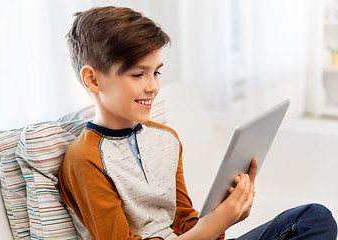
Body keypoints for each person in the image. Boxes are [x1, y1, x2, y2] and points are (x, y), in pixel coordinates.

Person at [58, 6, 337, 240]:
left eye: (156, 72)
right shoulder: (85, 159)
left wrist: (227, 212)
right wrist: (214, 224)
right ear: (93, 79)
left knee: (314, 218)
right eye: (137, 74)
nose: (153, 86)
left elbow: (185, 225)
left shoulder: (166, 139)